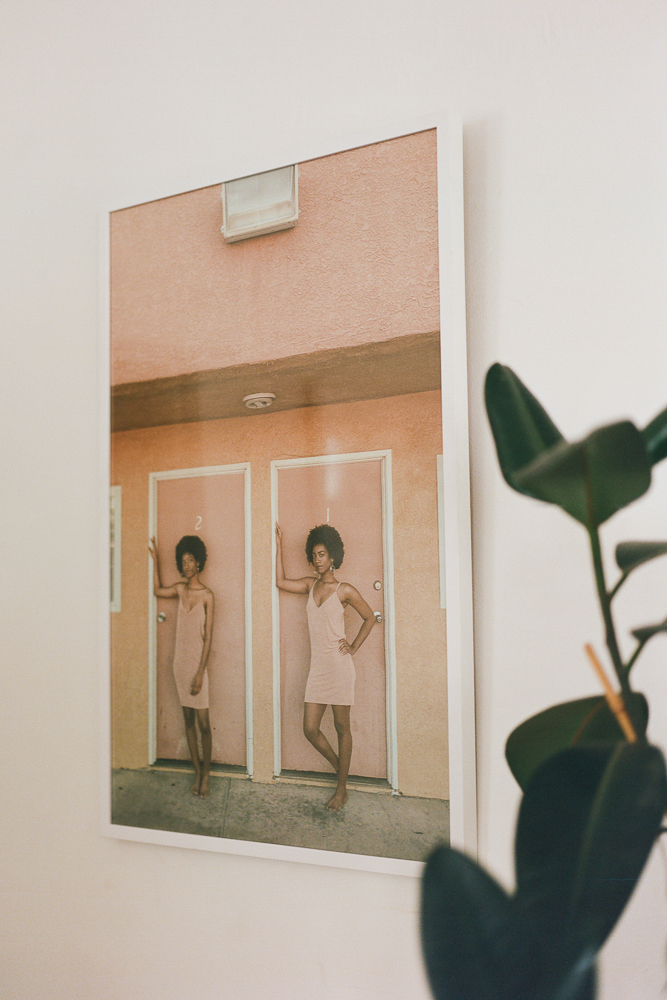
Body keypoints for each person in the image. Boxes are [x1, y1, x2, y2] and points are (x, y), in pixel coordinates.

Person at [275, 522, 376, 811]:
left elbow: (370, 617)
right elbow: (280, 581)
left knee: (341, 727)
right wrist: (279, 545)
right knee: (310, 728)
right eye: (314, 555)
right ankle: (339, 767)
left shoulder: (345, 590)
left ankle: (341, 789)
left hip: (340, 667)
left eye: (322, 555)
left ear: (333, 556)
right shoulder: (310, 585)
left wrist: (353, 647)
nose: (317, 560)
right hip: (318, 669)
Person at [148, 535, 215, 798]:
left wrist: (200, 673)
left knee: (204, 724)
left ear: (199, 562)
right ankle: (197, 773)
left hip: (198, 667)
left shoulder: (208, 596)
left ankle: (207, 775)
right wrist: (155, 559)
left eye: (190, 560)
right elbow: (157, 590)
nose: (186, 565)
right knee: (188, 721)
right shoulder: (179, 590)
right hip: (180, 666)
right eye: (183, 561)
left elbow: (208, 639)